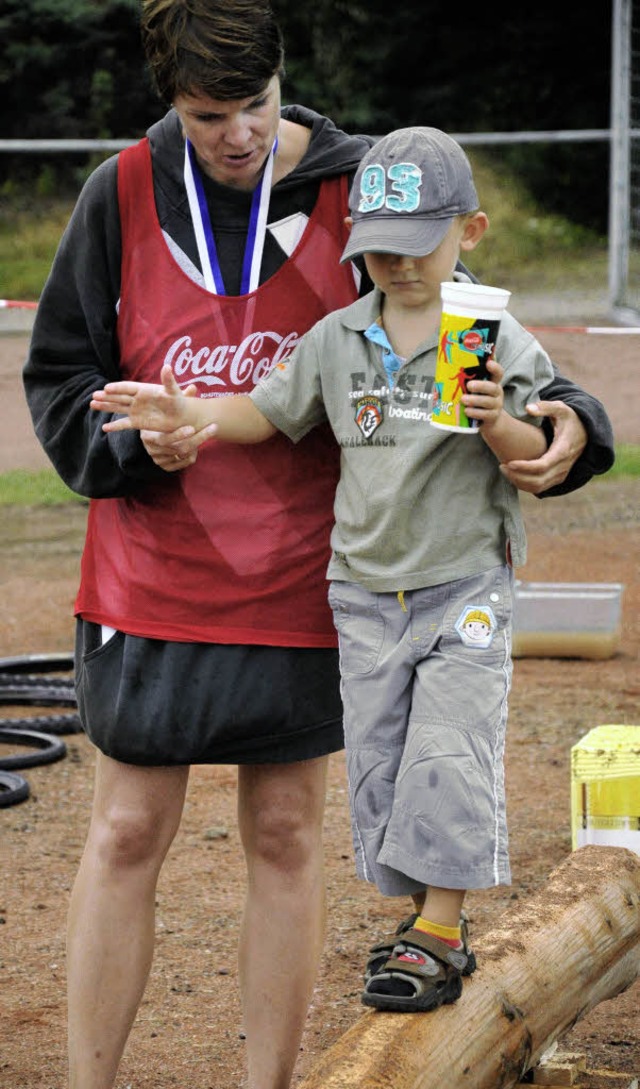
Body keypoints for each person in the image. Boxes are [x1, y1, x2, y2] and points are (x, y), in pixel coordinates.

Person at [21, 0, 613, 1083]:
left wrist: (571, 422)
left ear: (282, 85)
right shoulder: (118, 192)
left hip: (313, 576)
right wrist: (127, 449)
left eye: (254, 106)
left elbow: (473, 337)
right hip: (149, 575)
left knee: (286, 835)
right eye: (208, 117)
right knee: (122, 832)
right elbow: (59, 373)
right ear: (171, 104)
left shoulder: (362, 193)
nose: (237, 134)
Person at [91, 126, 563, 1016]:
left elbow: (539, 450)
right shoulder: (341, 337)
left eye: (418, 246)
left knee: (446, 753)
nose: (398, 266)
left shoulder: (489, 333)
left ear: (473, 230)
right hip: (365, 592)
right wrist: (186, 410)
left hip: (464, 583)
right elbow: (268, 413)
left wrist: (500, 419)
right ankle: (422, 912)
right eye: (379, 250)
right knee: (383, 765)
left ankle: (440, 930)